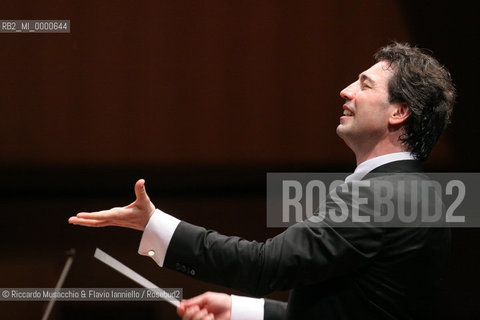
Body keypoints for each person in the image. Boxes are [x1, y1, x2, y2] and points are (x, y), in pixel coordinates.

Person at [69, 42, 456, 319]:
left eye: (365, 84)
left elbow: (263, 266)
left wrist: (153, 223)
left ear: (399, 112)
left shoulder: (382, 196)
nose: (346, 91)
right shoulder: (418, 192)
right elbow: (348, 306)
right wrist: (240, 310)